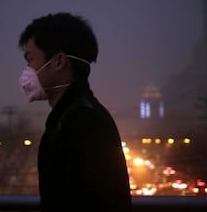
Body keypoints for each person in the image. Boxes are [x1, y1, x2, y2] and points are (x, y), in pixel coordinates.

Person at [18, 12, 132, 211]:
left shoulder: (82, 121)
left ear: (59, 62)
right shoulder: (73, 115)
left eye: (30, 59)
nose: (27, 70)